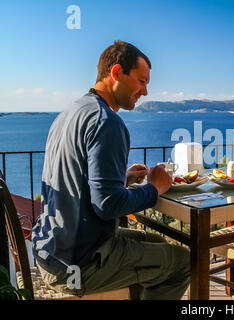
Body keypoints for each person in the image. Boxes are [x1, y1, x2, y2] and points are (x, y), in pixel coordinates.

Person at [32, 40, 190, 300]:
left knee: (158, 244)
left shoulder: (69, 114)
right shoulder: (107, 122)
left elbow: (78, 179)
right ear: (116, 73)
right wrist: (155, 188)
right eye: (142, 81)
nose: (145, 92)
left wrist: (121, 178)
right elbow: (107, 205)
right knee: (182, 261)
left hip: (52, 249)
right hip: (77, 263)